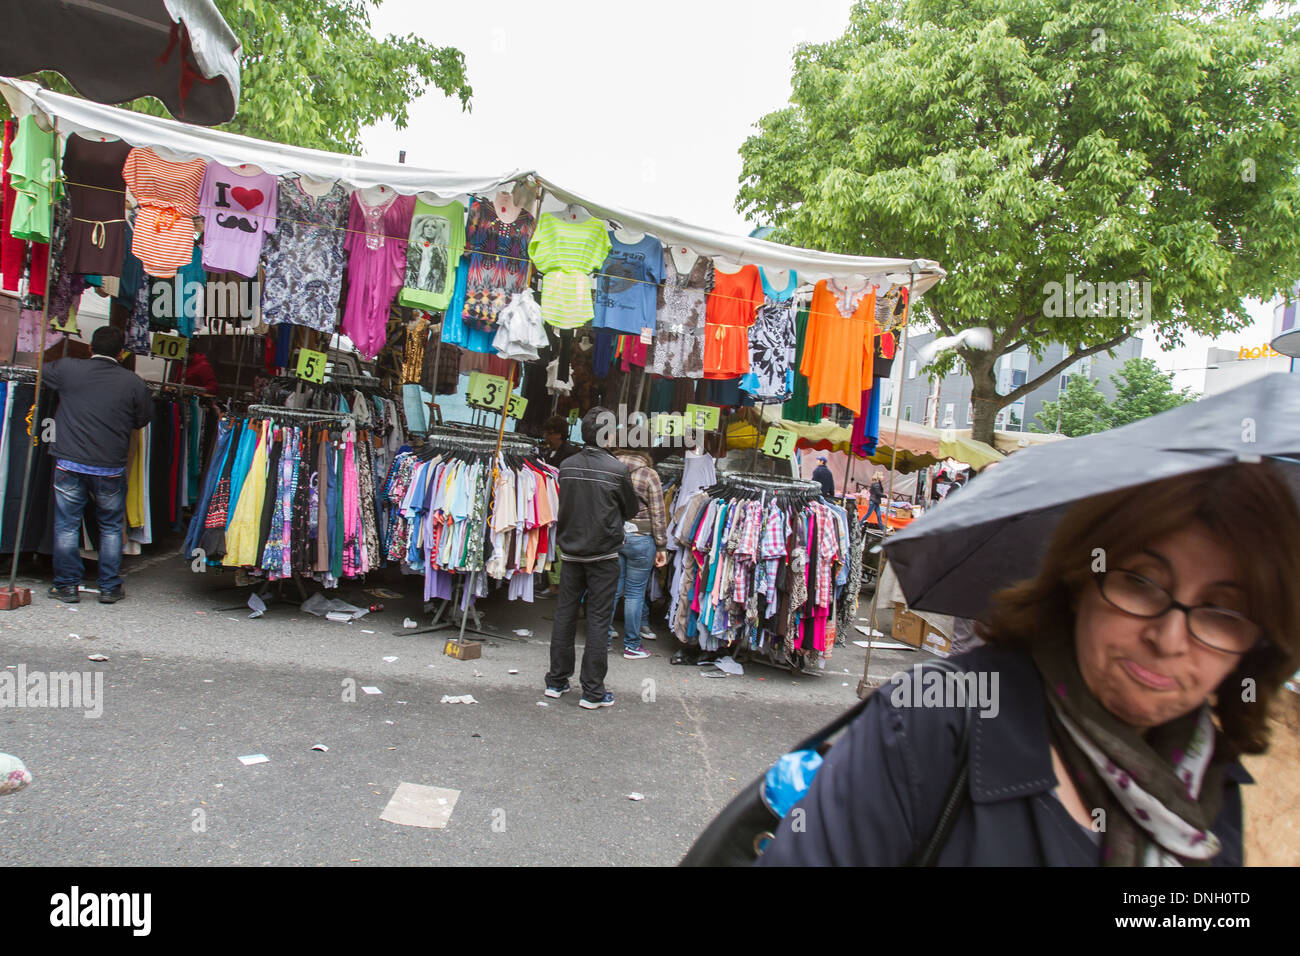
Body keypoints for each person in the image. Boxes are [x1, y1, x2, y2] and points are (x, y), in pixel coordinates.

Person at [757, 462, 1300, 865]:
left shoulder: (1212, 782)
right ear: (1078, 579)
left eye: (1222, 612)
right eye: (1140, 583)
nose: (1169, 637)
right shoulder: (929, 722)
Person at [44, 325, 152, 604]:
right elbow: (142, 421)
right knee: (111, 526)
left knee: (67, 524)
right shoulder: (134, 383)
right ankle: (109, 587)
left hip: (69, 461)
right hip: (110, 466)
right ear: (121, 352)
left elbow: (43, 371)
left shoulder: (68, 369)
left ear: (91, 348)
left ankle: (67, 586)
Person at [545, 406, 639, 709]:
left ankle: (556, 682)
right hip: (603, 555)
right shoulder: (617, 470)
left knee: (565, 616)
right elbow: (631, 509)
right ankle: (592, 691)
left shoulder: (567, 465)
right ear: (606, 435)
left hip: (571, 553)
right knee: (598, 621)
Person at [611, 436, 669, 659]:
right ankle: (631, 646)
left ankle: (603, 638)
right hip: (642, 538)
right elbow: (658, 512)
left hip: (614, 534)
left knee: (613, 588)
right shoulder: (649, 474)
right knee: (635, 593)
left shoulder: (611, 467)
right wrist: (661, 546)